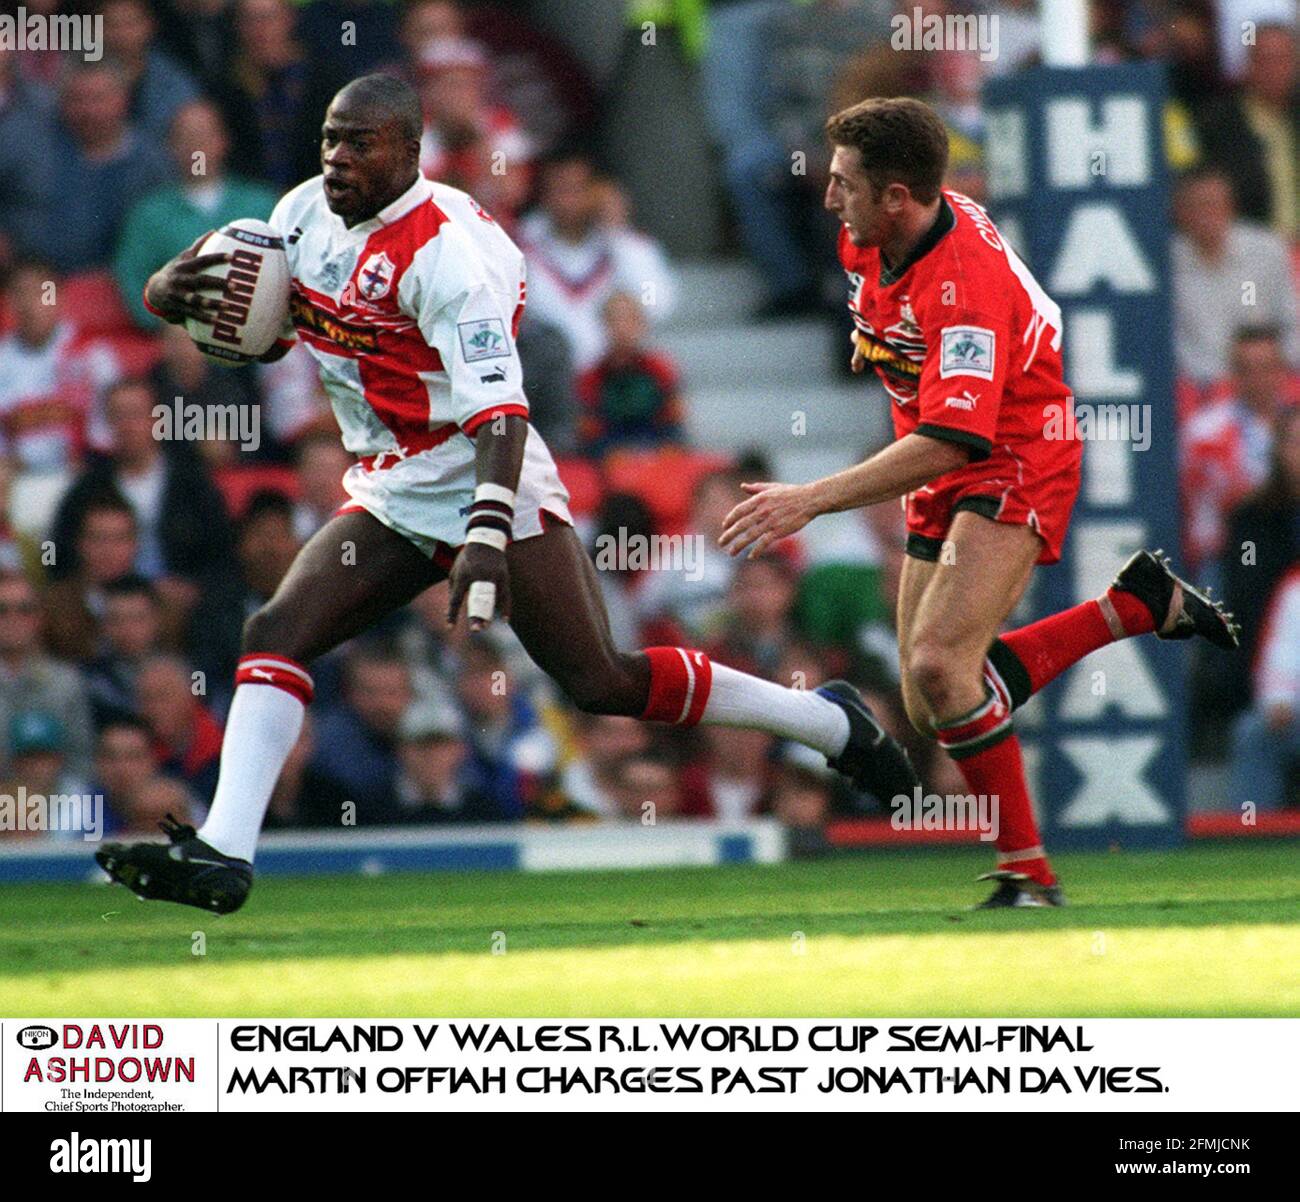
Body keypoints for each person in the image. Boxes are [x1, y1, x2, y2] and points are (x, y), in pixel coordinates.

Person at [96, 73, 918, 914]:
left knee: (601, 682)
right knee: (274, 629)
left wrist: (487, 534)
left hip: (486, 467)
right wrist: (171, 291)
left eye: (360, 143)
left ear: (411, 153)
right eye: (330, 140)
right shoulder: (299, 214)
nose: (338, 158)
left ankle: (830, 724)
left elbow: (501, 414)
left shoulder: (451, 250)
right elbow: (266, 339)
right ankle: (226, 855)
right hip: (393, 481)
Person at [718, 96, 1241, 906]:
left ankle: (1029, 872)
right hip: (943, 461)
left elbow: (957, 435)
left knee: (938, 665)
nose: (829, 197)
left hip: (1014, 452)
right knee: (933, 704)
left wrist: (812, 499)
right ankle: (1131, 609)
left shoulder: (962, 284)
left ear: (898, 195)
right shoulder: (876, 235)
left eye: (846, 183)